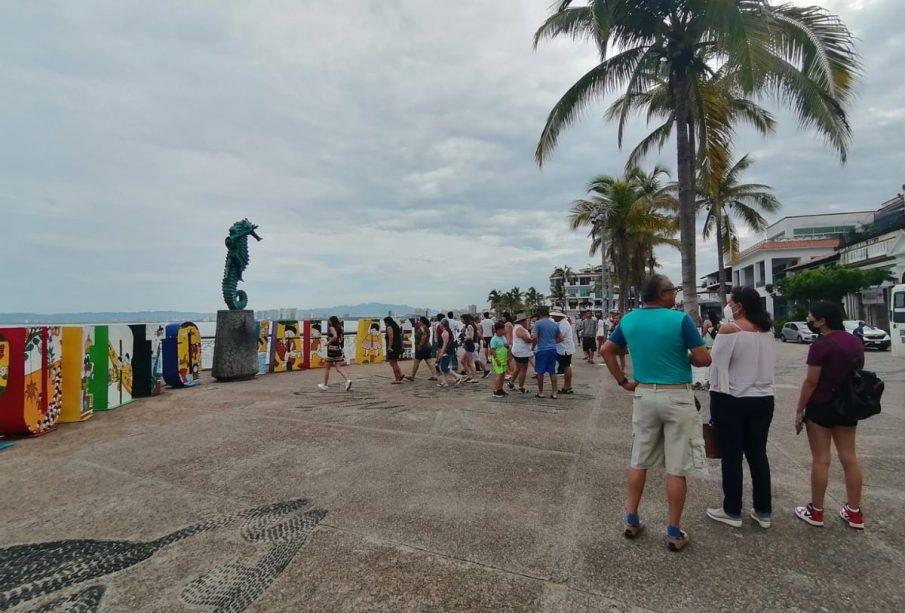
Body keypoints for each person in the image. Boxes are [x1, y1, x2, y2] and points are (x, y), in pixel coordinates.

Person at [601, 275, 712, 551]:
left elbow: (607, 350)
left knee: (638, 459)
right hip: (676, 395)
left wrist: (623, 381)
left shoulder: (628, 320)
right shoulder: (679, 320)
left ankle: (631, 519)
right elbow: (703, 359)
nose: (674, 294)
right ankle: (674, 531)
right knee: (676, 467)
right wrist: (682, 355)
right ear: (662, 294)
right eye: (672, 290)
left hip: (645, 394)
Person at [705, 287, 776, 529]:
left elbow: (717, 367)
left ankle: (732, 509)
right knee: (758, 454)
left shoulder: (729, 330)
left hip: (732, 398)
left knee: (732, 456)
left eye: (730, 303)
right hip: (764, 398)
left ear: (740, 306)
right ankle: (763, 510)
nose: (728, 307)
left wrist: (713, 404)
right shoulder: (767, 331)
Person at [794, 301, 866, 530]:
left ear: (822, 320)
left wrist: (799, 409)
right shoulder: (855, 342)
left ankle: (816, 511)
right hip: (848, 406)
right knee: (849, 458)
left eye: (811, 316)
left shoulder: (820, 346)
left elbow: (811, 381)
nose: (809, 319)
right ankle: (854, 513)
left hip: (822, 406)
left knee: (821, 459)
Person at [532, 309, 564, 399]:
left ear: (540, 315)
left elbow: (534, 337)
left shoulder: (538, 323)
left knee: (540, 372)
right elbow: (561, 338)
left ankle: (541, 392)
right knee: (552, 371)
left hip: (542, 350)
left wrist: (533, 347)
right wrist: (552, 342)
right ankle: (554, 392)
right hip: (552, 350)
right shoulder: (554, 324)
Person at [318, 316, 352, 391]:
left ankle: (325, 384)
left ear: (332, 321)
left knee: (327, 367)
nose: (329, 322)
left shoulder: (332, 328)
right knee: (338, 367)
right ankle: (347, 380)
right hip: (338, 349)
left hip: (332, 350)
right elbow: (340, 338)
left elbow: (335, 336)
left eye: (329, 321)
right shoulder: (340, 328)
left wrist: (328, 342)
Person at [552, 310, 575, 394]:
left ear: (559, 316)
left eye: (554, 316)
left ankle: (567, 386)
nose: (553, 317)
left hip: (564, 349)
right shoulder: (561, 323)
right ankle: (567, 385)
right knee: (565, 367)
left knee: (566, 367)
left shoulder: (563, 324)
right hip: (562, 348)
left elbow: (560, 337)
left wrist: (550, 342)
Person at [509, 313, 533, 393]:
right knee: (523, 369)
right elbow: (527, 339)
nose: (527, 321)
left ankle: (511, 383)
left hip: (518, 351)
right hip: (521, 352)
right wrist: (533, 339)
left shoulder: (519, 327)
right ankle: (521, 386)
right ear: (522, 321)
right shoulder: (520, 329)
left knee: (518, 368)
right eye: (526, 320)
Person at [406, 316, 437, 381]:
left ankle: (412, 376)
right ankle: (434, 375)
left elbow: (424, 335)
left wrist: (420, 345)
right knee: (429, 361)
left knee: (416, 362)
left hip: (421, 348)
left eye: (420, 321)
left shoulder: (422, 328)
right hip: (427, 346)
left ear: (422, 321)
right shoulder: (427, 328)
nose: (419, 322)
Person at [436, 318, 463, 388]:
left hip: (447, 351)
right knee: (443, 366)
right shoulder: (448, 330)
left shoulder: (445, 332)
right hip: (449, 351)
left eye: (440, 324)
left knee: (444, 367)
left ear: (443, 325)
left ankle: (458, 376)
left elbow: (445, 344)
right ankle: (444, 382)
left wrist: (441, 353)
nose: (439, 325)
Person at [489, 322, 510, 397]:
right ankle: (496, 390)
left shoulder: (503, 337)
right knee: (500, 374)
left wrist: (507, 347)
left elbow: (505, 345)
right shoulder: (494, 339)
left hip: (503, 358)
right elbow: (493, 350)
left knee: (503, 374)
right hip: (498, 359)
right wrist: (496, 359)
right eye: (502, 329)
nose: (503, 330)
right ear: (497, 330)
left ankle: (500, 389)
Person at [384, 317, 405, 383]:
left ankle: (397, 379)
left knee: (393, 362)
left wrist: (389, 347)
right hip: (397, 345)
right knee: (392, 362)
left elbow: (391, 337)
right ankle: (400, 374)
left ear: (387, 322)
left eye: (385, 322)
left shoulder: (389, 327)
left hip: (393, 347)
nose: (384, 324)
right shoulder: (396, 327)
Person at [460, 314, 479, 383]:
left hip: (469, 344)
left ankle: (474, 378)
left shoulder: (469, 326)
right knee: (463, 361)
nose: (461, 320)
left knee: (470, 361)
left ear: (465, 319)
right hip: (468, 344)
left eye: (462, 319)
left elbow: (471, 336)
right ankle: (469, 376)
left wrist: (464, 338)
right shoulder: (467, 326)